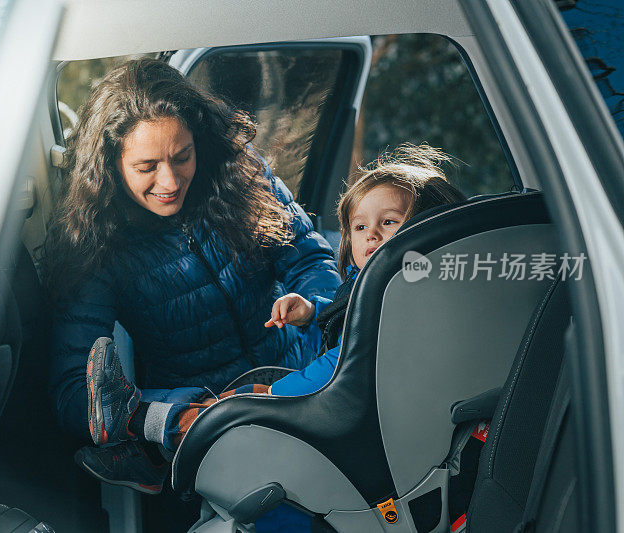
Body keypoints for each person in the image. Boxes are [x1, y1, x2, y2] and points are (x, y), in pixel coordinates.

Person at [40, 58, 341, 519]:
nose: (171, 180)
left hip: (303, 390)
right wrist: (166, 417)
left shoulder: (239, 172)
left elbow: (309, 256)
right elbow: (70, 393)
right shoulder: (98, 243)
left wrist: (313, 304)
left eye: (182, 156)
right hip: (211, 430)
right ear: (111, 165)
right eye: (147, 167)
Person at [77, 143, 467, 490]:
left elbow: (353, 358)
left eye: (388, 222)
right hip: (321, 390)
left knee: (230, 411)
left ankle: (138, 425)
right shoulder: (372, 287)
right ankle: (148, 446)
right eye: (360, 226)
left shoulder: (409, 299)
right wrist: (314, 312)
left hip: (331, 400)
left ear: (426, 234)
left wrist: (283, 389)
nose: (370, 236)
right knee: (229, 406)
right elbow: (344, 329)